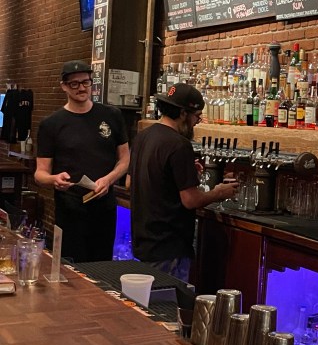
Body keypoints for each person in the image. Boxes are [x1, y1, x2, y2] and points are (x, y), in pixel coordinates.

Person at [127, 83, 238, 282]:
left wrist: (180, 172)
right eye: (197, 116)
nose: (196, 122)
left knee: (146, 300)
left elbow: (130, 183)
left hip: (143, 242)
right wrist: (219, 192)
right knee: (168, 300)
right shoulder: (179, 145)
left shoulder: (143, 137)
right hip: (168, 247)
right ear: (183, 113)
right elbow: (190, 200)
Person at [35, 60, 129, 263]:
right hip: (69, 209)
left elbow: (125, 159)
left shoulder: (111, 115)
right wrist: (53, 179)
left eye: (86, 82)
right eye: (74, 84)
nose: (82, 88)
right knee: (70, 267)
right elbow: (40, 173)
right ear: (64, 86)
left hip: (104, 207)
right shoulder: (51, 124)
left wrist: (109, 179)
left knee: (102, 267)